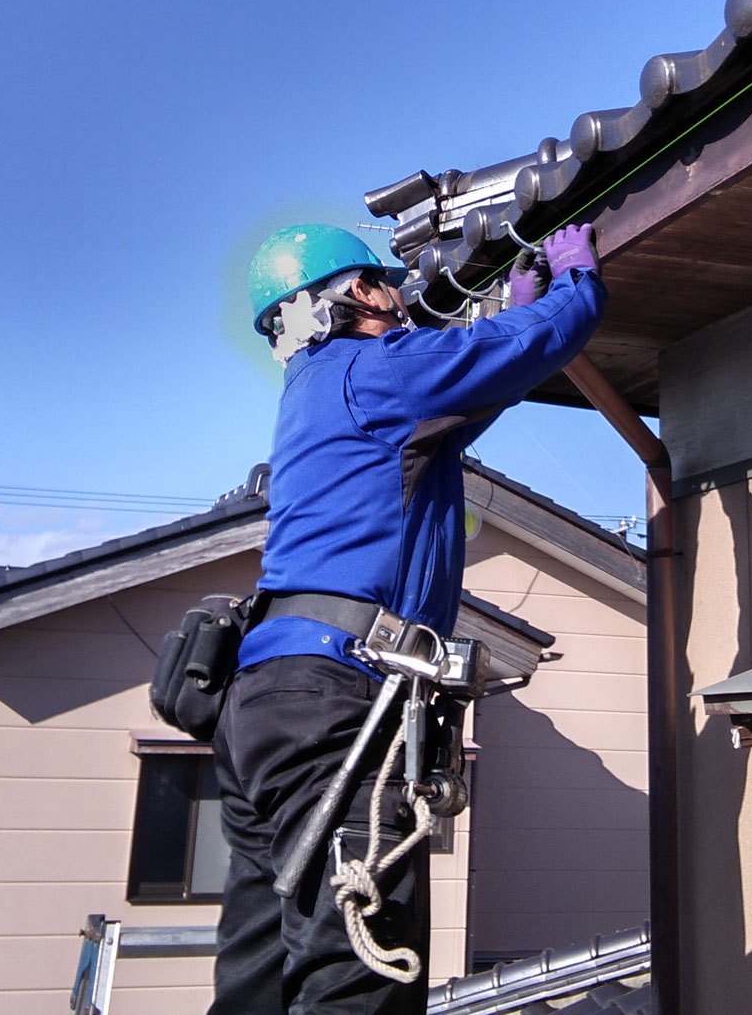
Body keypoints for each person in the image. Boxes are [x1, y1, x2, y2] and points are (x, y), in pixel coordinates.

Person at [210, 220, 604, 1015]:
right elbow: (537, 342)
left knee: (259, 970)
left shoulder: (322, 390)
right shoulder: (372, 368)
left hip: (262, 706)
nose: (400, 295)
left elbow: (450, 412)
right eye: (385, 283)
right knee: (357, 968)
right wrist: (571, 286)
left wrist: (509, 329)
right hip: (336, 696)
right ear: (359, 292)